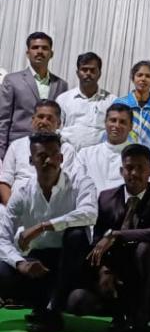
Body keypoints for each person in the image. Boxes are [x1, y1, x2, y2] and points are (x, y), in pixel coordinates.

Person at [74, 144, 150, 332]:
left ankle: (140, 324)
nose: (134, 173)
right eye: (129, 168)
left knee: (146, 248)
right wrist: (104, 270)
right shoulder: (106, 197)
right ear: (122, 171)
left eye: (140, 168)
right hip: (116, 269)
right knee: (76, 301)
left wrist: (117, 234)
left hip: (149, 271)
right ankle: (119, 317)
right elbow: (97, 242)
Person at [0, 132, 97, 332]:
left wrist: (43, 226)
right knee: (3, 268)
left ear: (61, 158)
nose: (48, 160)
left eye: (54, 155)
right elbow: (3, 237)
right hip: (38, 263)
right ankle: (42, 305)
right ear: (31, 160)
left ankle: (53, 309)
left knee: (77, 235)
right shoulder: (23, 192)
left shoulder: (80, 182)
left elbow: (89, 213)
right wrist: (21, 263)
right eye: (41, 155)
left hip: (70, 263)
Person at [0, 32, 69, 160]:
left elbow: (61, 121)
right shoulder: (12, 80)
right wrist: (1, 155)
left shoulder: (61, 85)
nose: (39, 51)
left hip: (49, 149)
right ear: (28, 53)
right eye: (35, 47)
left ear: (51, 54)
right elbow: (3, 121)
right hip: (18, 147)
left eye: (44, 48)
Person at [0, 100, 77, 205]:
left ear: (58, 124)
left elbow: (65, 186)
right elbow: (4, 182)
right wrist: (12, 211)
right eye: (40, 117)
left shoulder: (67, 150)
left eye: (49, 118)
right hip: (16, 206)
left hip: (51, 208)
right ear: (33, 120)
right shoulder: (16, 146)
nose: (44, 122)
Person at [56, 52, 117, 151]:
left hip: (99, 157)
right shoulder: (63, 99)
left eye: (92, 70)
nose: (88, 73)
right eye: (84, 69)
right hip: (69, 156)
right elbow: (56, 130)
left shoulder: (111, 101)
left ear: (99, 73)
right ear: (77, 73)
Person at [113, 61, 150, 153]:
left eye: (148, 76)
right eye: (139, 75)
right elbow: (113, 133)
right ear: (133, 78)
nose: (143, 79)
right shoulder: (120, 104)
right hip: (122, 157)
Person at [75, 104, 133, 194]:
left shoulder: (137, 157)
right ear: (105, 123)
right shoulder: (85, 154)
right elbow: (77, 185)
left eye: (122, 122)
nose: (117, 125)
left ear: (130, 127)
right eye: (113, 120)